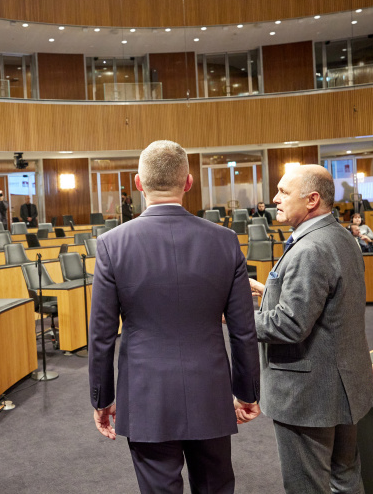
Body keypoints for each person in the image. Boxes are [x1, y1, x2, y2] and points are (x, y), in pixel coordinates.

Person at [88, 140, 261, 494]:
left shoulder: (111, 244)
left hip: (145, 394)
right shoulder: (226, 240)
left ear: (138, 183)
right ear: (189, 182)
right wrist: (247, 393)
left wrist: (102, 399)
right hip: (210, 392)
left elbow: (102, 335)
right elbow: (244, 330)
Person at [248, 164, 373, 494]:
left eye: (284, 192)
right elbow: (330, 299)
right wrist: (271, 291)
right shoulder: (339, 236)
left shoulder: (310, 248)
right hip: (342, 384)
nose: (275, 198)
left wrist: (231, 318)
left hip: (309, 396)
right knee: (344, 478)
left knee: (308, 486)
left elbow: (290, 326)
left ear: (312, 200)